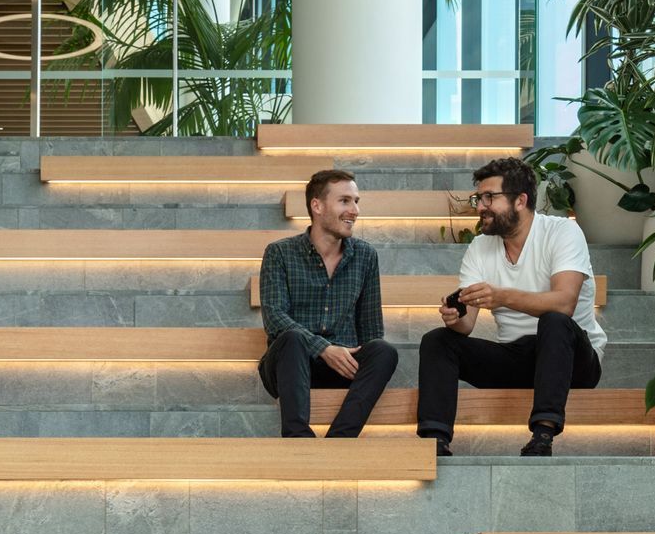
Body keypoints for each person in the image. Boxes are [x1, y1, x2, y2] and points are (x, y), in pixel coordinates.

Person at [416, 155, 604, 457]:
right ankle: (434, 442)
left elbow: (565, 303)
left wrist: (502, 297)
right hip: (516, 357)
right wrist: (455, 317)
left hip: (572, 360)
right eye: (479, 197)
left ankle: (542, 435)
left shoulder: (562, 232)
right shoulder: (480, 246)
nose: (480, 206)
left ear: (520, 200)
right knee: (437, 341)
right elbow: (467, 325)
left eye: (490, 197)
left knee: (554, 321)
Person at [255, 168, 398, 438]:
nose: (354, 210)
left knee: (384, 351)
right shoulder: (279, 253)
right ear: (317, 206)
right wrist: (323, 348)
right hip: (290, 366)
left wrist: (353, 358)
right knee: (293, 337)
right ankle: (297, 438)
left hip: (342, 367)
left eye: (356, 201)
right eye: (345, 201)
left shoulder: (366, 256)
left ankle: (340, 439)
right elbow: (274, 317)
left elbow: (371, 330)